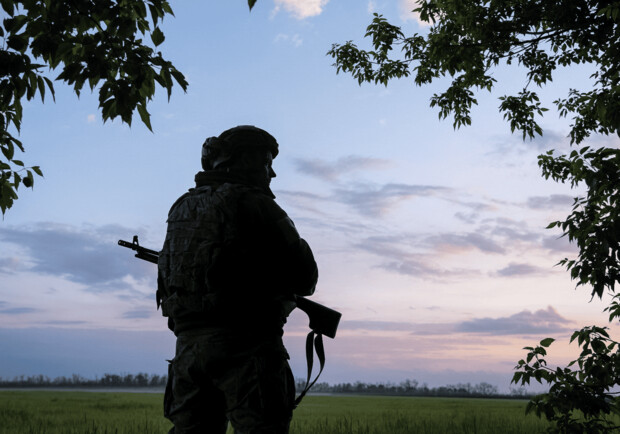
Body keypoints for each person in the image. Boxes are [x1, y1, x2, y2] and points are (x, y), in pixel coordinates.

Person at [157, 125, 318, 434]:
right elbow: (306, 277)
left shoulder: (181, 208)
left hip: (188, 354)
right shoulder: (257, 204)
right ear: (244, 160)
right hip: (248, 352)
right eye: (267, 162)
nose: (272, 174)